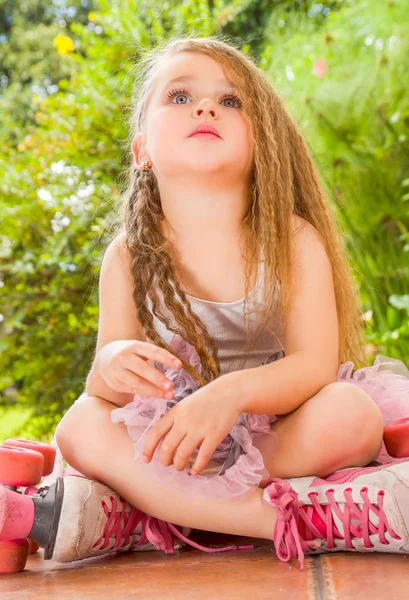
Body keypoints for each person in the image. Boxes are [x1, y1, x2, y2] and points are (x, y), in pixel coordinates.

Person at [5, 35, 409, 571]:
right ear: (142, 150)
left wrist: (229, 396)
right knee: (79, 426)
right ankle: (285, 520)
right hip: (172, 445)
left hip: (275, 435)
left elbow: (314, 366)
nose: (205, 107)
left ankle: (150, 516)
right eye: (178, 96)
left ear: (260, 140)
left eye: (230, 101)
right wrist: (114, 360)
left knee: (353, 415)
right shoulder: (128, 256)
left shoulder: (292, 240)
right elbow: (101, 391)